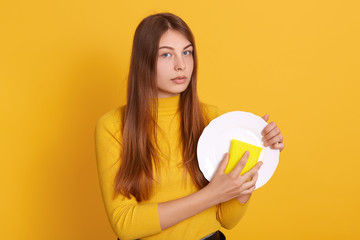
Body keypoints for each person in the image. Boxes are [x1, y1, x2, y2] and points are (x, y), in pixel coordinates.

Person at [94, 12, 284, 240]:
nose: (181, 65)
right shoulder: (113, 126)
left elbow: (227, 220)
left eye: (187, 52)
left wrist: (256, 156)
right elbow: (124, 224)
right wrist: (212, 195)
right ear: (143, 61)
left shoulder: (213, 119)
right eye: (166, 54)